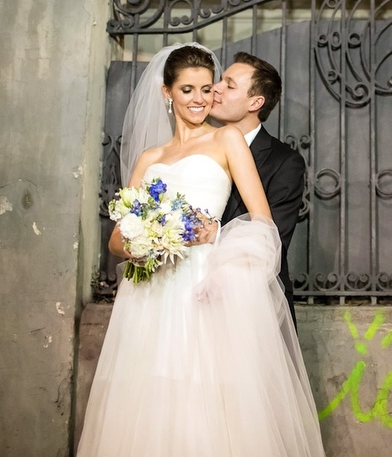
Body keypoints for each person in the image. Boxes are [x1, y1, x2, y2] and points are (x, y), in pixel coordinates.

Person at [77, 43, 325, 457]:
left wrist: (210, 236)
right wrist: (150, 240)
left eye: (208, 89)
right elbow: (117, 240)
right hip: (148, 294)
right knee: (148, 398)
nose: (200, 98)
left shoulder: (228, 139)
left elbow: (264, 225)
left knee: (208, 400)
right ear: (167, 93)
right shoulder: (148, 157)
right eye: (188, 90)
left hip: (203, 286)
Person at [210, 52, 305, 326]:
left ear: (256, 102)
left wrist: (211, 234)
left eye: (229, 85)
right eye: (219, 81)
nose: (216, 88)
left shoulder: (284, 162)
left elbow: (271, 241)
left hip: (252, 310)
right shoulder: (197, 152)